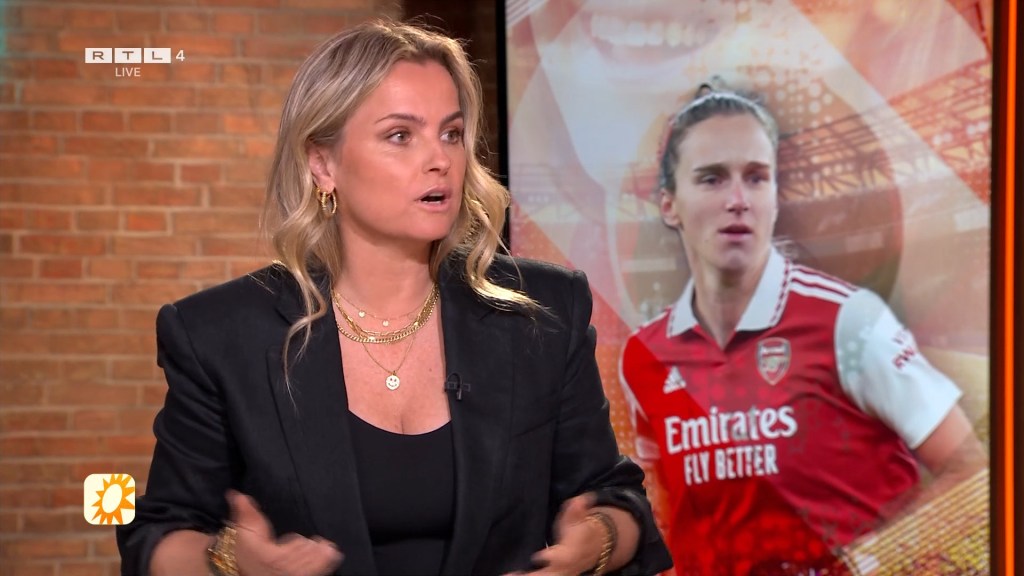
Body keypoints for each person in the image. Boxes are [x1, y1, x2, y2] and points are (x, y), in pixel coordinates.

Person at [117, 18, 673, 576]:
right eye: (401, 136)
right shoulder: (219, 335)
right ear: (323, 164)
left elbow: (617, 499)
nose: (441, 160)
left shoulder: (544, 311)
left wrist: (598, 540)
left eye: (451, 133)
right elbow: (158, 534)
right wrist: (231, 560)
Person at [618, 86, 988, 575]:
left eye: (756, 178)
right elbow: (666, 515)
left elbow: (971, 472)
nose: (738, 200)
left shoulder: (849, 322)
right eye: (712, 179)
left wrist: (876, 564)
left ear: (775, 197)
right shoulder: (643, 356)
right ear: (669, 205)